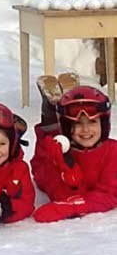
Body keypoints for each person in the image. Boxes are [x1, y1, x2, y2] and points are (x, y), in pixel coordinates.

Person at [31, 74, 117, 223]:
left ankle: (55, 114)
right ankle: (51, 117)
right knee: (48, 149)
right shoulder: (61, 151)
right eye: (77, 124)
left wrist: (72, 207)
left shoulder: (113, 152)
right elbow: (55, 191)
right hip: (49, 162)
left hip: (80, 186)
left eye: (92, 122)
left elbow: (109, 195)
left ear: (103, 125)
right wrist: (66, 169)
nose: (85, 129)